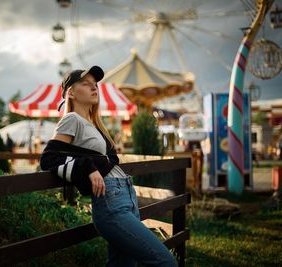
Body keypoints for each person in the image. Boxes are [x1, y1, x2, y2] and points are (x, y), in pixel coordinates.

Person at [40, 66, 178, 267]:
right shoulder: (71, 120)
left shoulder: (94, 124)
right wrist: (87, 168)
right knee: (165, 262)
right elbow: (49, 159)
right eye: (85, 84)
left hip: (126, 196)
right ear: (71, 92)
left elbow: (109, 160)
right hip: (110, 203)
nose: (93, 88)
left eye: (95, 84)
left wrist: (93, 164)